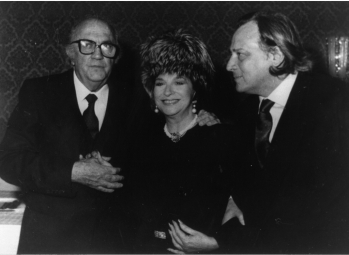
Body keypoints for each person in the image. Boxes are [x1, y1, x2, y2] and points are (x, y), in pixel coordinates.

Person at [168, 11, 349, 253]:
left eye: (239, 55)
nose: (229, 65)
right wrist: (233, 200)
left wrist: (222, 242)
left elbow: (320, 209)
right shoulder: (244, 110)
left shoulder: (334, 102)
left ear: (274, 55)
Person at [0, 17, 133, 254]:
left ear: (116, 55)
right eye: (87, 44)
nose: (98, 54)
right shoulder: (39, 92)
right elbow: (10, 161)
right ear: (70, 53)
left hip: (113, 241)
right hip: (49, 240)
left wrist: (201, 116)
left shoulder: (135, 99)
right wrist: (74, 171)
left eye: (107, 46)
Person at [126, 29, 240, 254]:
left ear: (194, 88)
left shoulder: (223, 138)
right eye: (160, 83)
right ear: (151, 90)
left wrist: (214, 244)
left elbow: (241, 209)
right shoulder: (139, 142)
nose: (168, 92)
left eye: (179, 82)